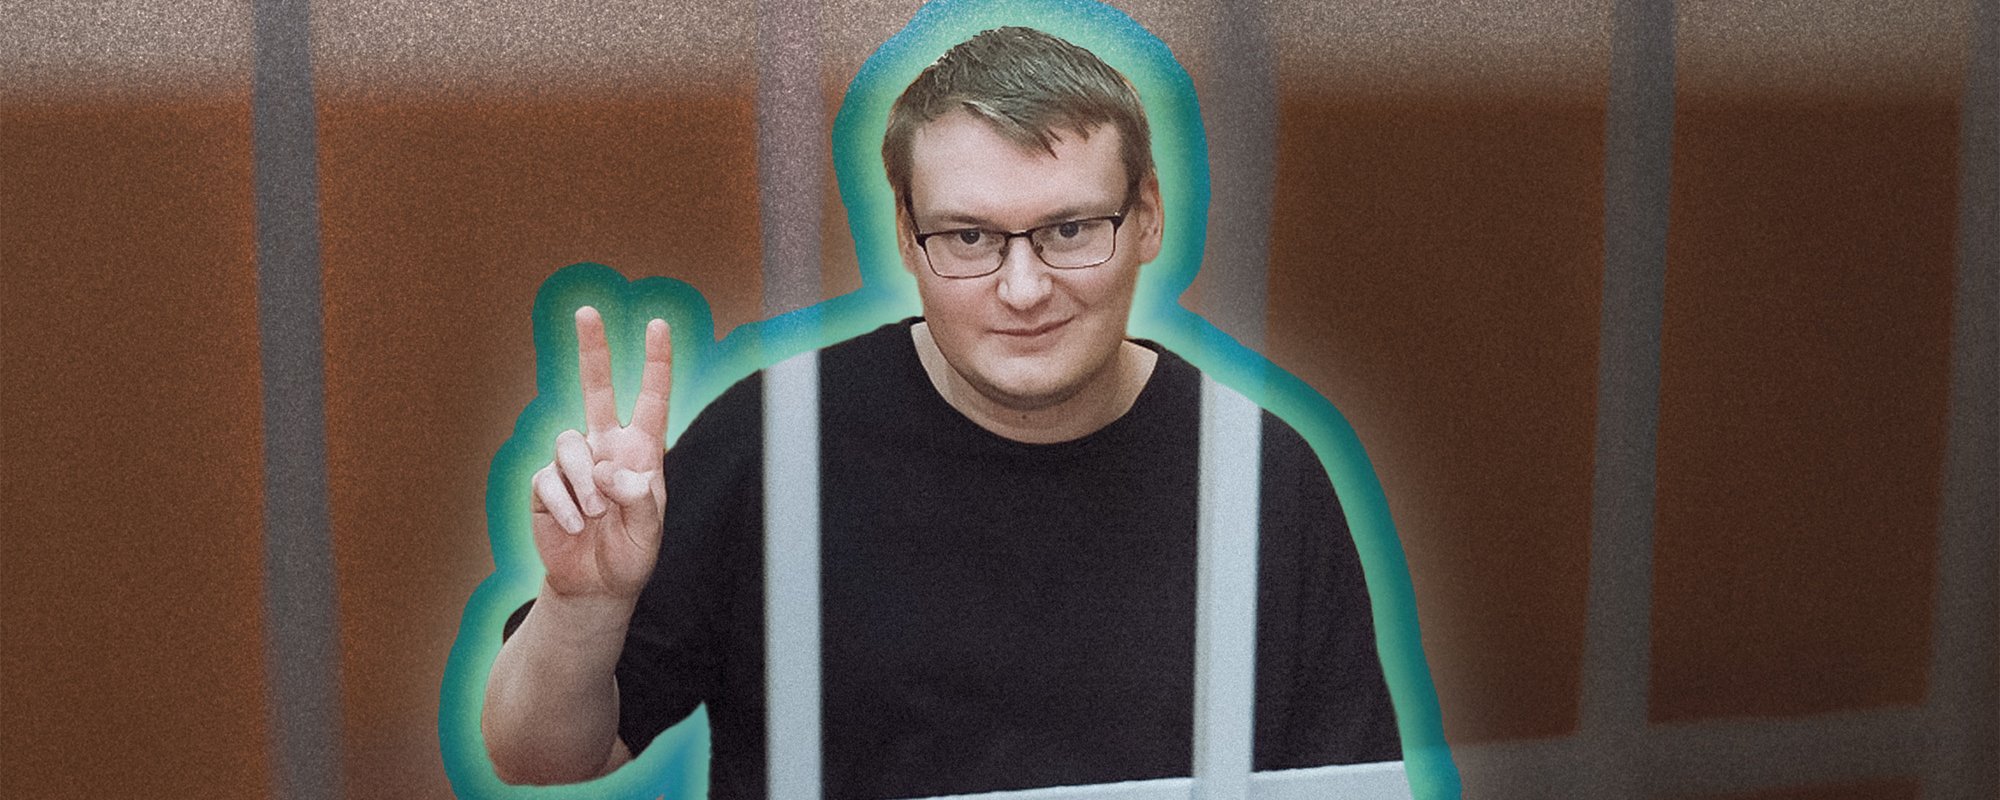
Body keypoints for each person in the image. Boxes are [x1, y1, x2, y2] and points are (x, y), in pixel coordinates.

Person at [482, 26, 1400, 798]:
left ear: (1148, 217)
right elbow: (537, 757)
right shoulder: (776, 441)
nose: (1024, 288)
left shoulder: (1258, 477)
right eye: (969, 237)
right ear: (907, 240)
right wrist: (583, 603)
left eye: (1070, 229)